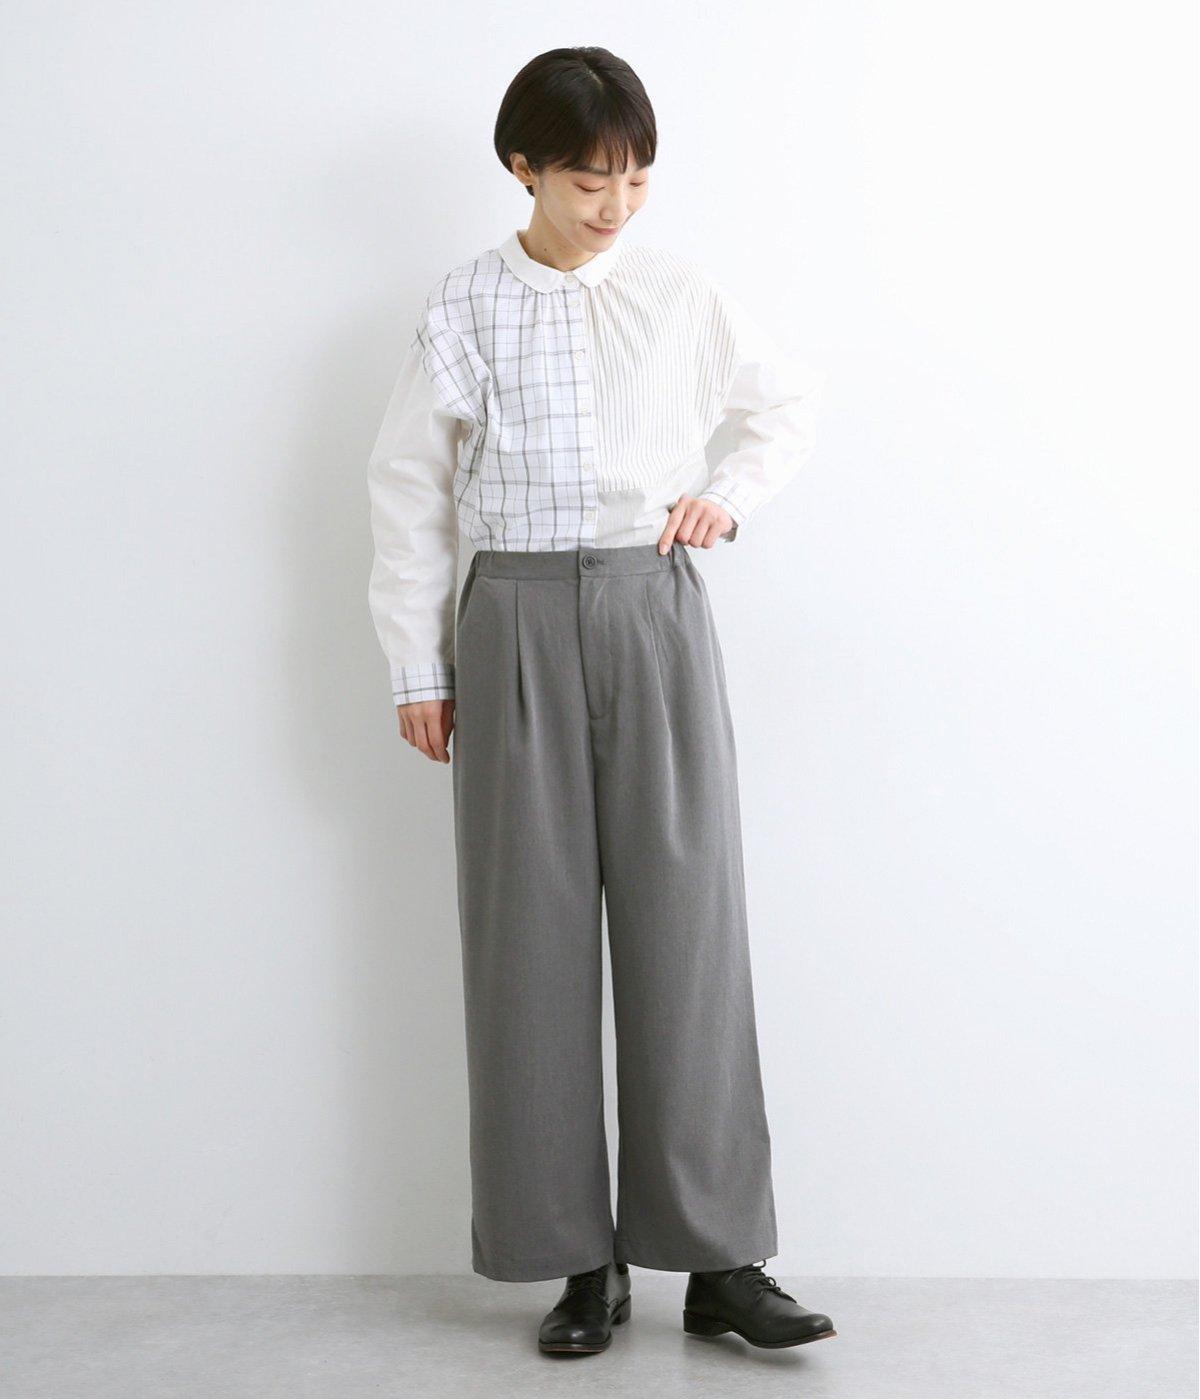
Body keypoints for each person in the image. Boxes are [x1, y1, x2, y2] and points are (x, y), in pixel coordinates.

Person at [366, 45, 835, 1355]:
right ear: (524, 169)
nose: (616, 205)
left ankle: (724, 1261)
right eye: (588, 181)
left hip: (652, 604)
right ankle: (580, 1263)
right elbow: (406, 488)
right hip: (510, 617)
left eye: (635, 177)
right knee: (530, 939)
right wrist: (417, 665)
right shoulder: (464, 305)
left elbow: (785, 406)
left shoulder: (681, 293)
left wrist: (726, 496)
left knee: (691, 927)